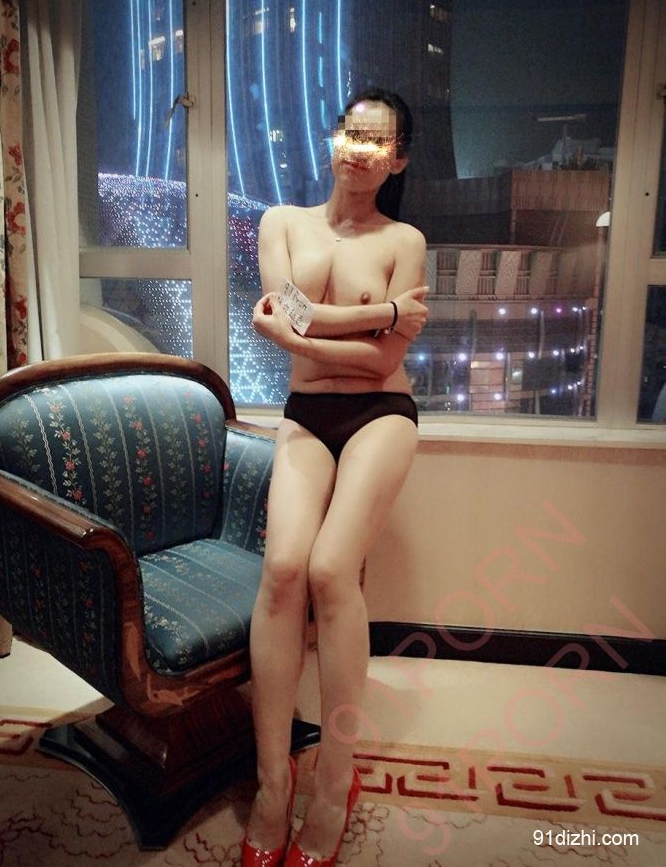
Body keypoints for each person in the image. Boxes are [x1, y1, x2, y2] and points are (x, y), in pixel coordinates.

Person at [242, 88, 429, 867]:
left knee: (330, 570)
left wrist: (306, 334)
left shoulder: (405, 240)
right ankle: (272, 783)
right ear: (334, 139)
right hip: (306, 415)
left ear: (398, 161)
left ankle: (332, 783)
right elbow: (288, 313)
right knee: (283, 570)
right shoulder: (281, 222)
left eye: (377, 141)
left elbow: (380, 366)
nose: (359, 149)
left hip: (383, 415)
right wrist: (381, 315)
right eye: (352, 133)